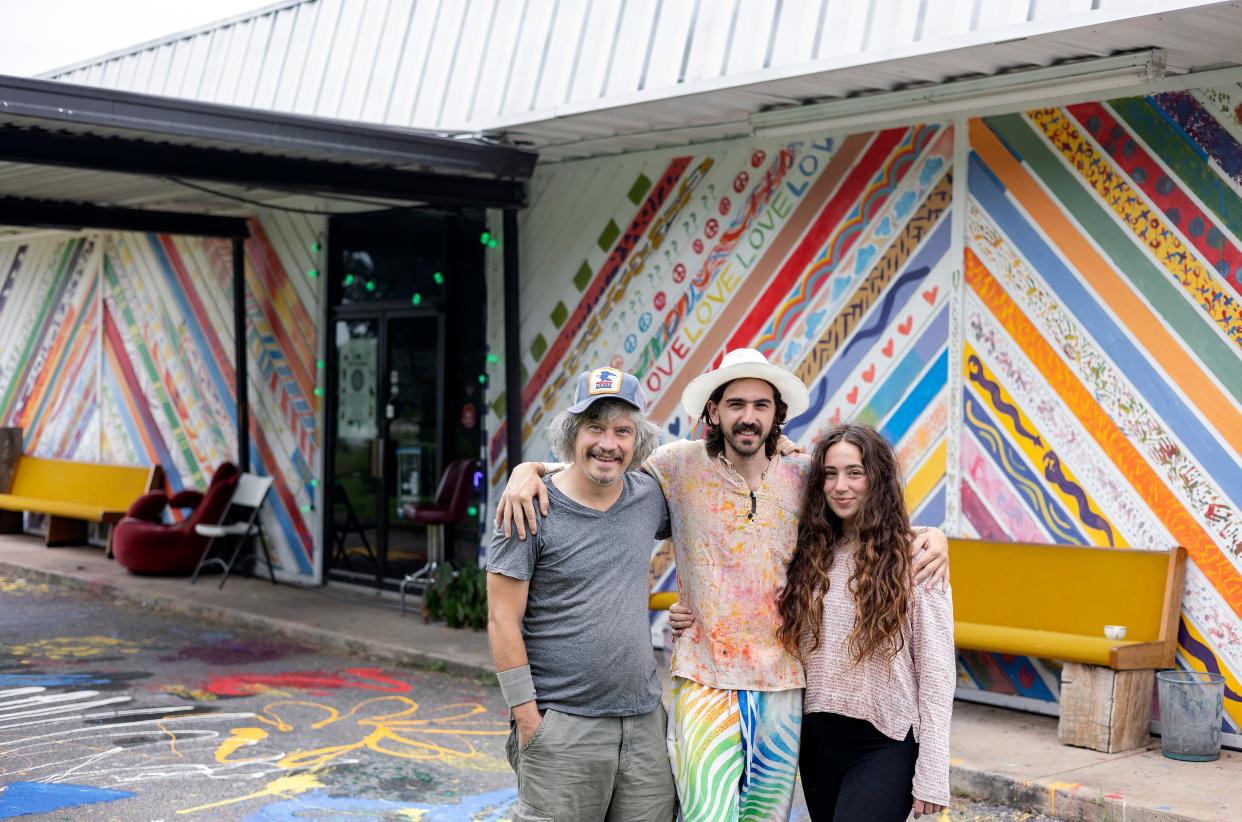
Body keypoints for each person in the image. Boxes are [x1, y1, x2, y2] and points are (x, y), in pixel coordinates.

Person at [497, 348, 949, 821]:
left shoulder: (805, 474)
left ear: (778, 414)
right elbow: (603, 471)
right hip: (703, 681)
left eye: (760, 405)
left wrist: (929, 537)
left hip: (783, 686)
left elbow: (861, 509)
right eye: (735, 404)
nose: (748, 417)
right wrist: (529, 471)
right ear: (713, 410)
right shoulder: (676, 467)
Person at [486, 366, 677, 821]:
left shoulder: (648, 496)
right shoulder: (528, 507)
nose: (608, 443)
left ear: (638, 442)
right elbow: (501, 619)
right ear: (572, 432)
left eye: (622, 430)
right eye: (595, 427)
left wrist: (778, 448)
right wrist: (529, 721)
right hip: (562, 727)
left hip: (644, 726)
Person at [778, 424, 954, 820]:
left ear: (877, 478)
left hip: (885, 743)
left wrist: (932, 772)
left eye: (855, 472)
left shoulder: (918, 556)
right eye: (830, 473)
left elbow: (937, 672)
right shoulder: (806, 553)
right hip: (817, 744)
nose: (841, 485)